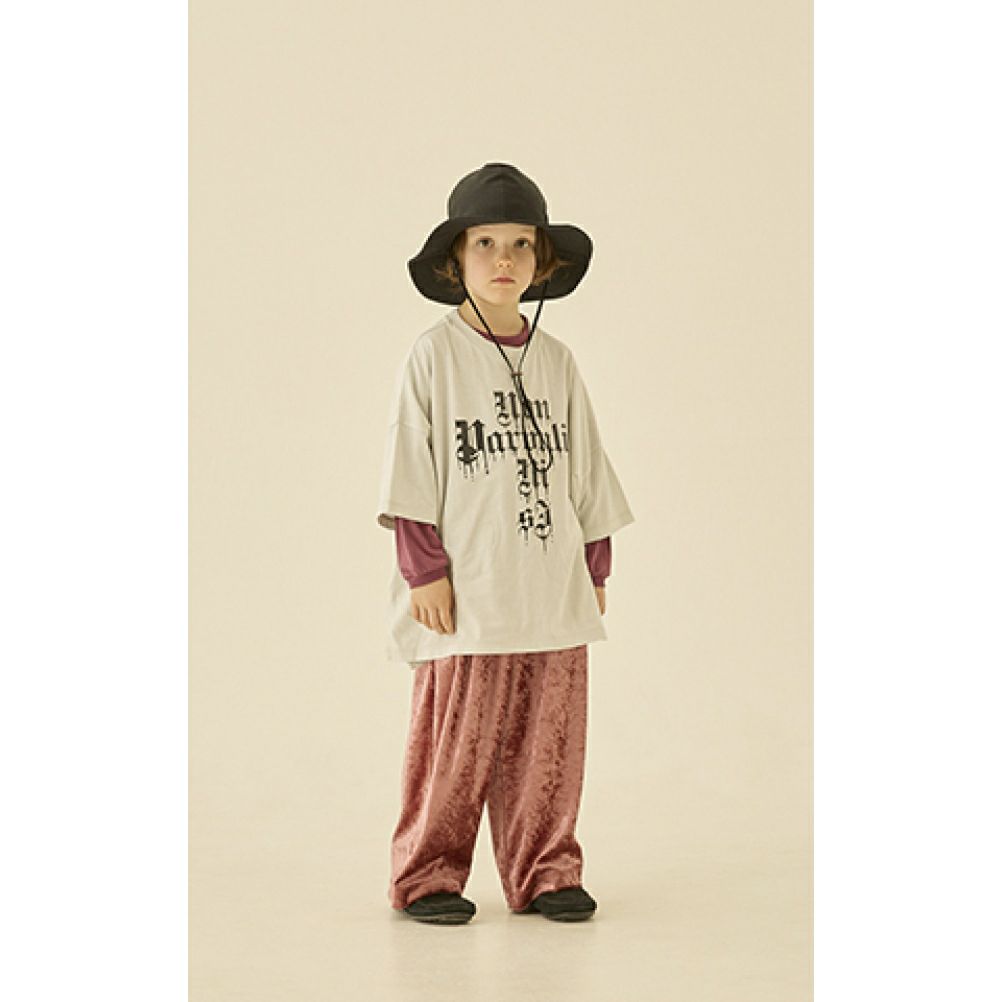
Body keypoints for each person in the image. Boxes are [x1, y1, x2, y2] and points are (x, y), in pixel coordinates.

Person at [376, 162, 635, 924]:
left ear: (541, 260)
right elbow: (410, 465)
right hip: (470, 590)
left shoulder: (556, 363)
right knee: (454, 746)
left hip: (550, 589)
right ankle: (428, 874)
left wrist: (594, 567)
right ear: (455, 257)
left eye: (521, 244)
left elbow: (586, 469)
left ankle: (547, 869)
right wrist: (424, 569)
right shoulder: (433, 356)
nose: (504, 260)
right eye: (485, 243)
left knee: (549, 744)